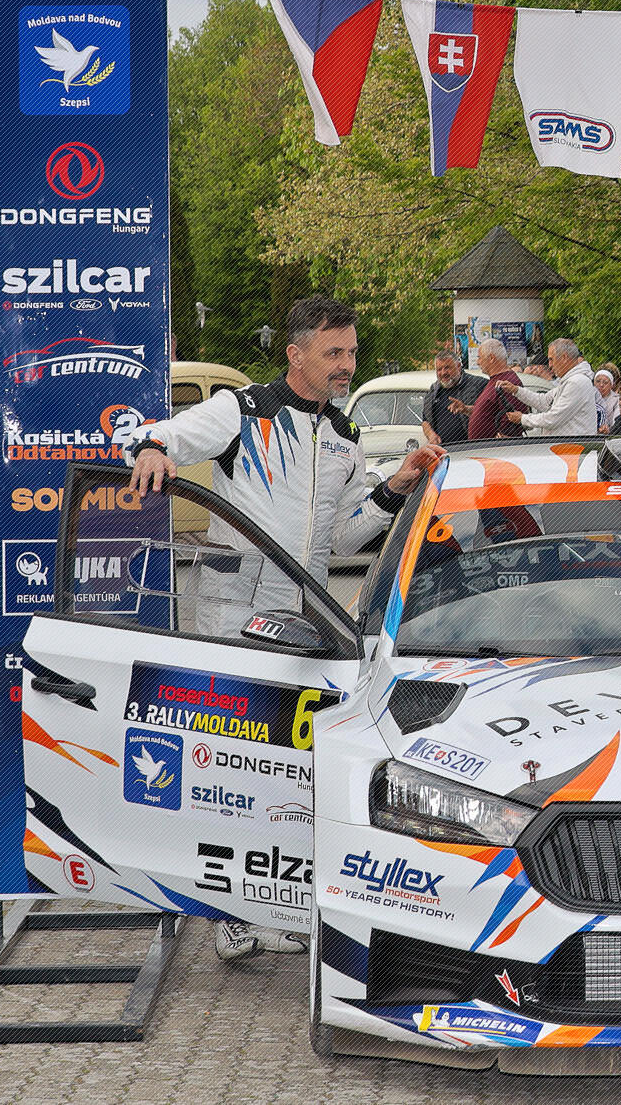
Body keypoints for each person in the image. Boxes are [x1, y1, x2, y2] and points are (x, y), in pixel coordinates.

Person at [122, 297, 441, 963]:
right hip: (236, 612)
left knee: (290, 773)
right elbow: (164, 434)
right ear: (296, 354)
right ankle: (228, 913)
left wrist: (396, 487)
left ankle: (281, 903)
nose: (346, 365)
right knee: (223, 769)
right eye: (334, 353)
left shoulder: (345, 435)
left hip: (305, 621)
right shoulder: (244, 409)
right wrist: (152, 448)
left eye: (352, 352)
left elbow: (344, 535)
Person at [503, 338, 599, 436]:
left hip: (572, 445)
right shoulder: (570, 381)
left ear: (564, 357)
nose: (550, 365)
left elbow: (553, 418)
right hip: (566, 444)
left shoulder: (577, 382)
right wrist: (516, 390)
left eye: (551, 359)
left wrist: (522, 418)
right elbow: (543, 401)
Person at [421, 348, 487, 446]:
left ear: (458, 366)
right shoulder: (434, 390)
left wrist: (466, 409)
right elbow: (425, 420)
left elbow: (490, 413)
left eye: (447, 367)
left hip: (474, 449)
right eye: (439, 369)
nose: (443, 373)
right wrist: (430, 434)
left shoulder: (479, 384)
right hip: (442, 451)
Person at [464, 339, 525, 442]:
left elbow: (512, 416)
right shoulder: (496, 380)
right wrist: (466, 409)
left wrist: (503, 442)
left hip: (495, 449)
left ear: (491, 358)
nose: (478, 362)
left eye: (479, 357)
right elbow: (489, 412)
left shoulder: (508, 382)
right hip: (486, 448)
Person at [592, 367, 619, 432]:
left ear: (611, 385)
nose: (601, 385)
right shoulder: (589, 396)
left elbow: (617, 419)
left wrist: (609, 429)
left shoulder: (617, 399)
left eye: (605, 382)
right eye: (598, 381)